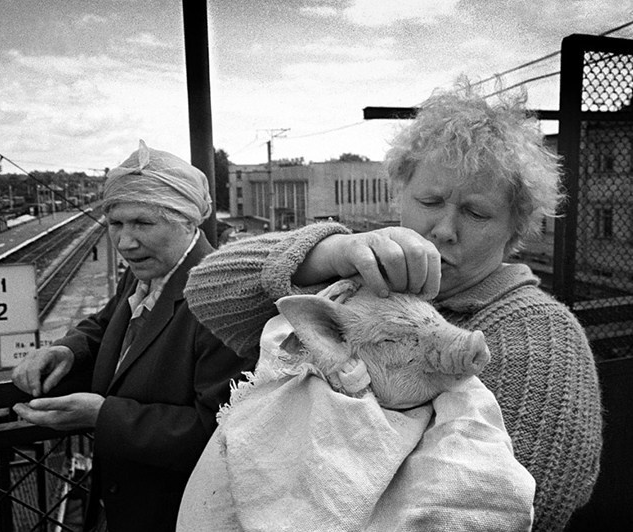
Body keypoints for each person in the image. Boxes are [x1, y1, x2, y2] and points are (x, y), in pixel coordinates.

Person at [183, 79, 603, 532]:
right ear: (399, 195)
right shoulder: (353, 285)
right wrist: (329, 252)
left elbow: (513, 506)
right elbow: (207, 287)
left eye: (477, 213)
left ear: (516, 229)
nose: (444, 229)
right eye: (429, 201)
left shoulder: (539, 335)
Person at [12, 140, 254, 532]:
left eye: (143, 223)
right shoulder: (148, 268)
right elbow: (109, 322)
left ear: (189, 221)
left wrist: (102, 416)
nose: (125, 242)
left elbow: (219, 434)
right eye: (115, 224)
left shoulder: (223, 297)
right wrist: (66, 350)